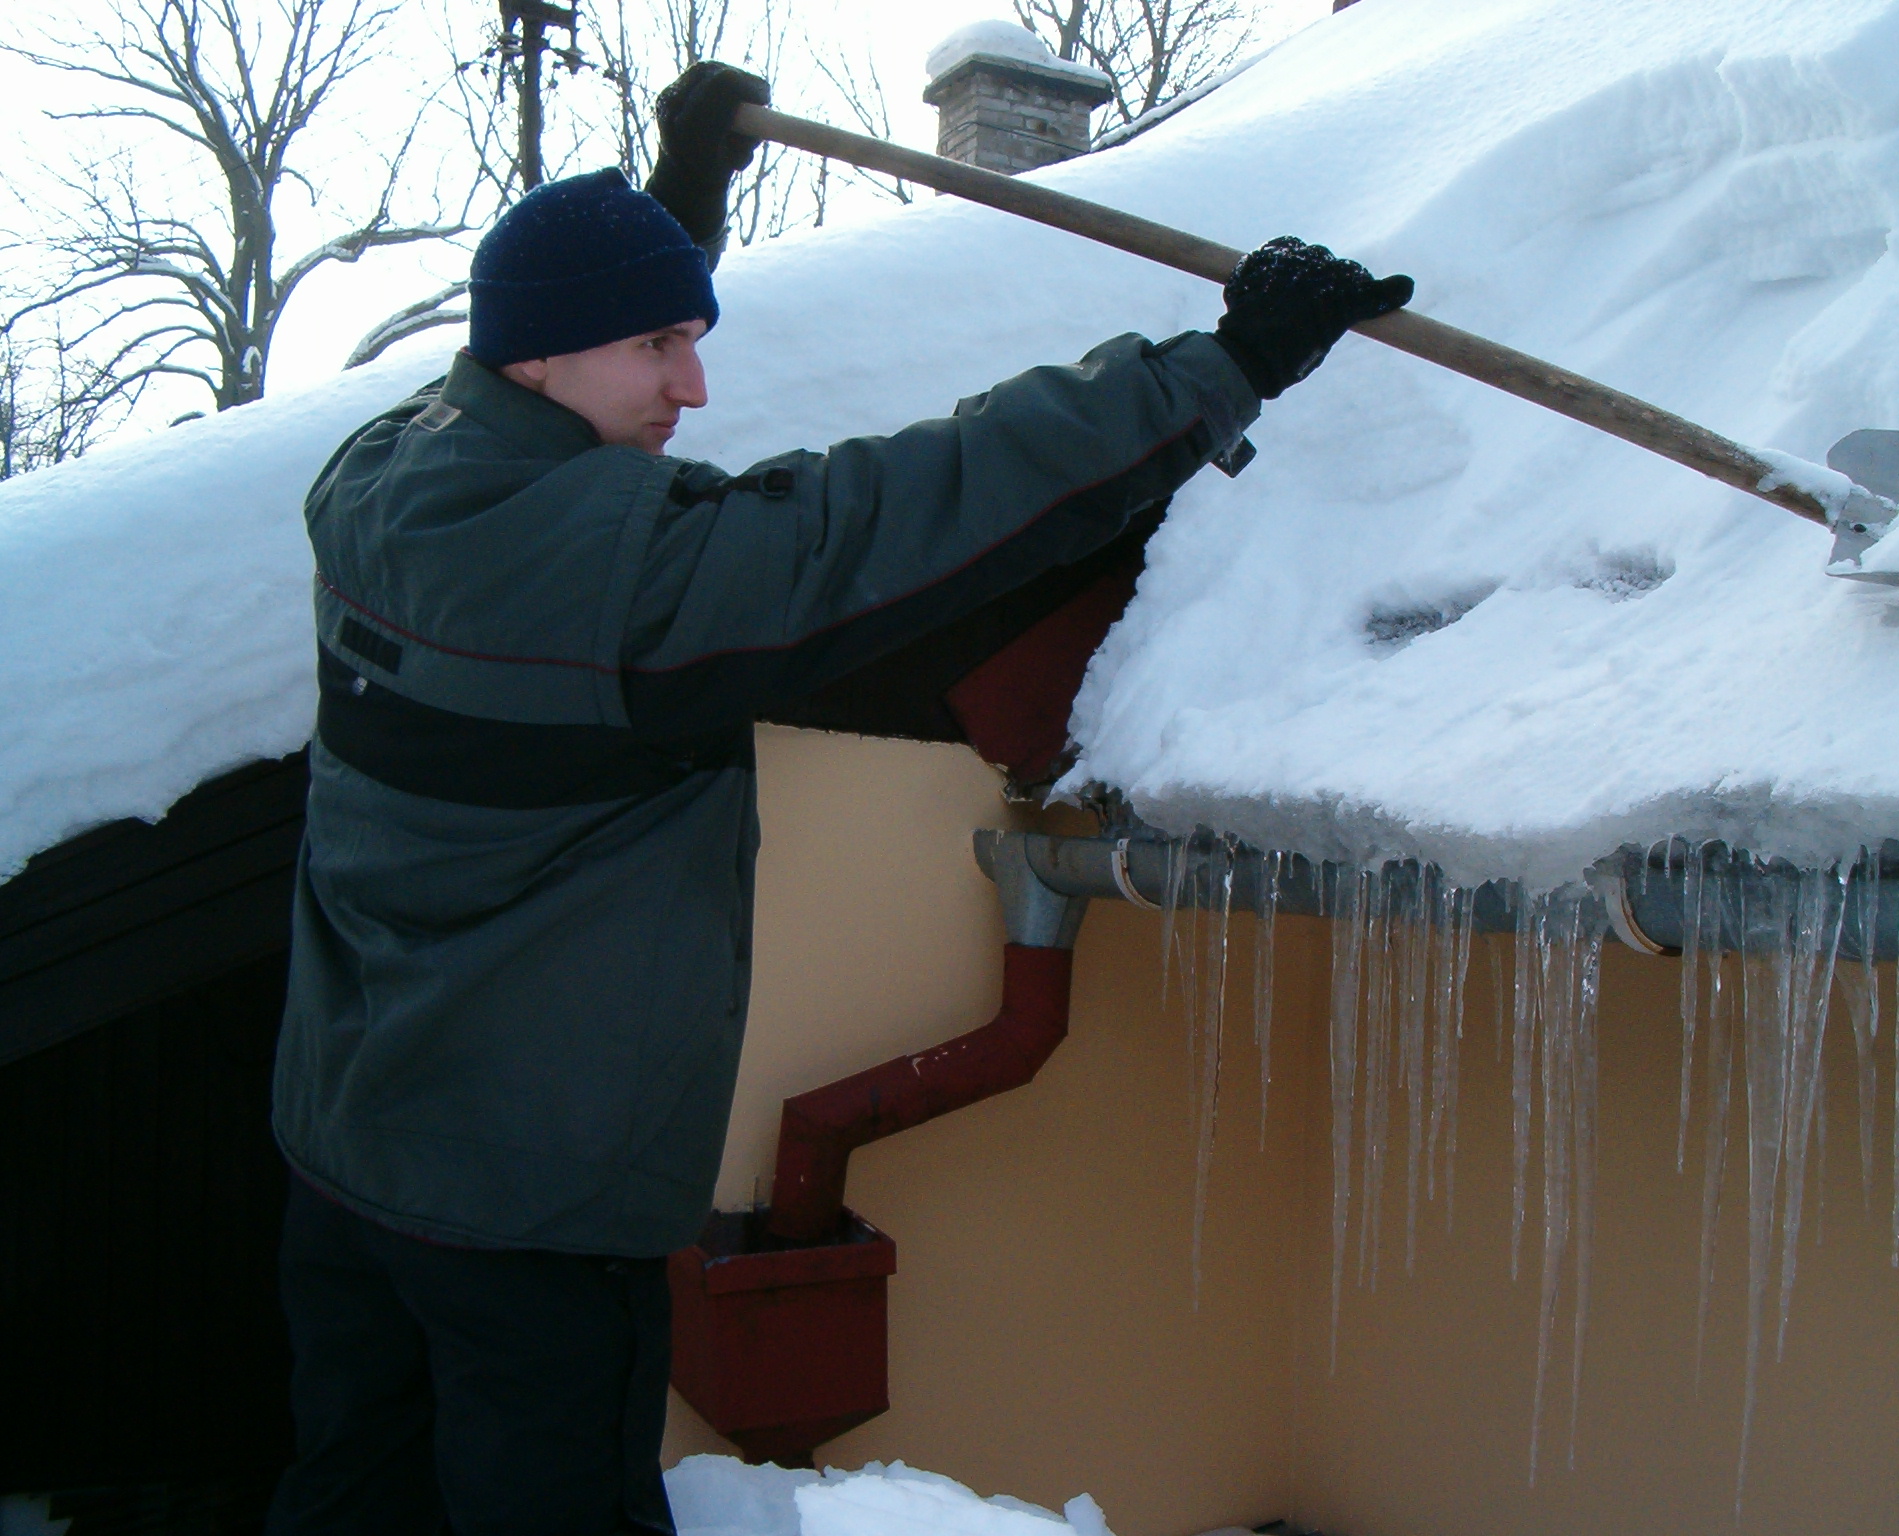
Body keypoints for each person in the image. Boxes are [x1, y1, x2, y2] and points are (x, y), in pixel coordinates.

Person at [263, 61, 1412, 1536]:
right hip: (527, 1217)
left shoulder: (380, 474)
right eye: (660, 343)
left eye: (692, 334)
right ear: (546, 360)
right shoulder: (615, 577)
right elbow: (902, 511)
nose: (694, 385)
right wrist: (1224, 365)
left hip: (349, 1158)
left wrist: (671, 215)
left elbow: (561, 327)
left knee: (350, 1495)